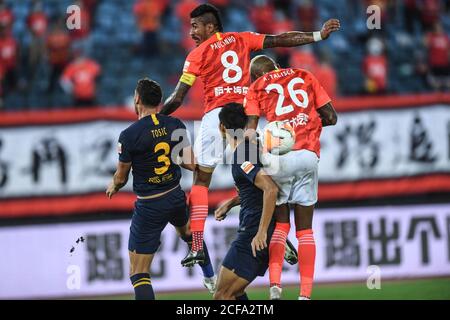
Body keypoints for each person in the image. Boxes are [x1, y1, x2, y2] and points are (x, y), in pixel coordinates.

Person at [159, 3, 340, 266]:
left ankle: (197, 246)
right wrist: (317, 35)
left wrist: (156, 120)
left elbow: (177, 97)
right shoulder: (243, 39)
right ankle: (277, 234)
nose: (191, 33)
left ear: (211, 26)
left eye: (195, 26)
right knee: (254, 177)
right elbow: (280, 40)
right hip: (244, 114)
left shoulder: (196, 55)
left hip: (215, 115)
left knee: (201, 179)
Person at [106, 78, 216, 300]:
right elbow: (189, 162)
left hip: (150, 204)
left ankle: (210, 278)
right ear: (159, 101)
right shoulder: (175, 124)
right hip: (175, 196)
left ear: (137, 99)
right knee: (188, 233)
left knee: (138, 272)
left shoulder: (129, 135)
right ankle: (210, 278)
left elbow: (121, 177)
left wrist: (113, 185)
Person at [244, 55, 338, 300]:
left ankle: (275, 287)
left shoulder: (256, 87)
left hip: (279, 158)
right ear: (276, 66)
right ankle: (305, 296)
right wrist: (306, 125)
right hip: (307, 156)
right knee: (305, 230)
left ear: (255, 76)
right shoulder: (306, 75)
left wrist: (262, 139)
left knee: (281, 226)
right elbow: (331, 117)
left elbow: (250, 132)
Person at [213, 103, 278, 300]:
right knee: (234, 293)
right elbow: (255, 190)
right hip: (254, 227)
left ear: (222, 127)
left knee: (222, 296)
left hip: (253, 232)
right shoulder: (249, 148)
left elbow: (270, 189)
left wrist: (261, 232)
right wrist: (231, 203)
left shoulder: (242, 154)